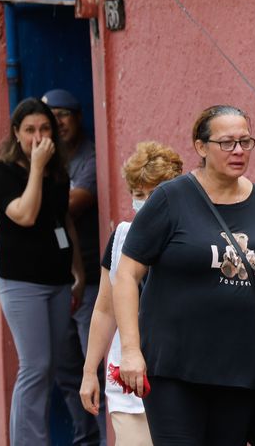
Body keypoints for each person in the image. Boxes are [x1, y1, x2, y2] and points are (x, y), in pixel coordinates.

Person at [113, 105, 255, 445]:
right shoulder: (170, 198)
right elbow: (127, 274)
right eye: (227, 142)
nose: (238, 151)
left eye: (245, 142)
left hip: (239, 369)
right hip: (175, 369)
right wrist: (131, 350)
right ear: (201, 146)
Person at [0, 97, 86, 445]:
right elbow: (25, 215)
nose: (38, 136)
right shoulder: (2, 172)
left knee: (51, 367)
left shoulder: (58, 171)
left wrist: (79, 273)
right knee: (35, 366)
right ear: (16, 133)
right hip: (21, 281)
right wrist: (37, 169)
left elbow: (64, 222)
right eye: (29, 130)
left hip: (58, 281)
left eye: (44, 129)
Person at [80, 141, 184, 446]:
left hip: (182, 377)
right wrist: (89, 373)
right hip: (127, 379)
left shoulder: (191, 239)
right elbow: (104, 309)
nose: (146, 203)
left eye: (155, 194)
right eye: (139, 195)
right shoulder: (122, 237)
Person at [42, 88, 106, 445]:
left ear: (78, 117)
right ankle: (85, 441)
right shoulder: (46, 161)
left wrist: (33, 193)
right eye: (53, 117)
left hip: (92, 282)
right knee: (65, 372)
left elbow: (73, 203)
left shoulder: (90, 156)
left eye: (65, 114)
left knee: (94, 371)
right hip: (52, 282)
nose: (59, 122)